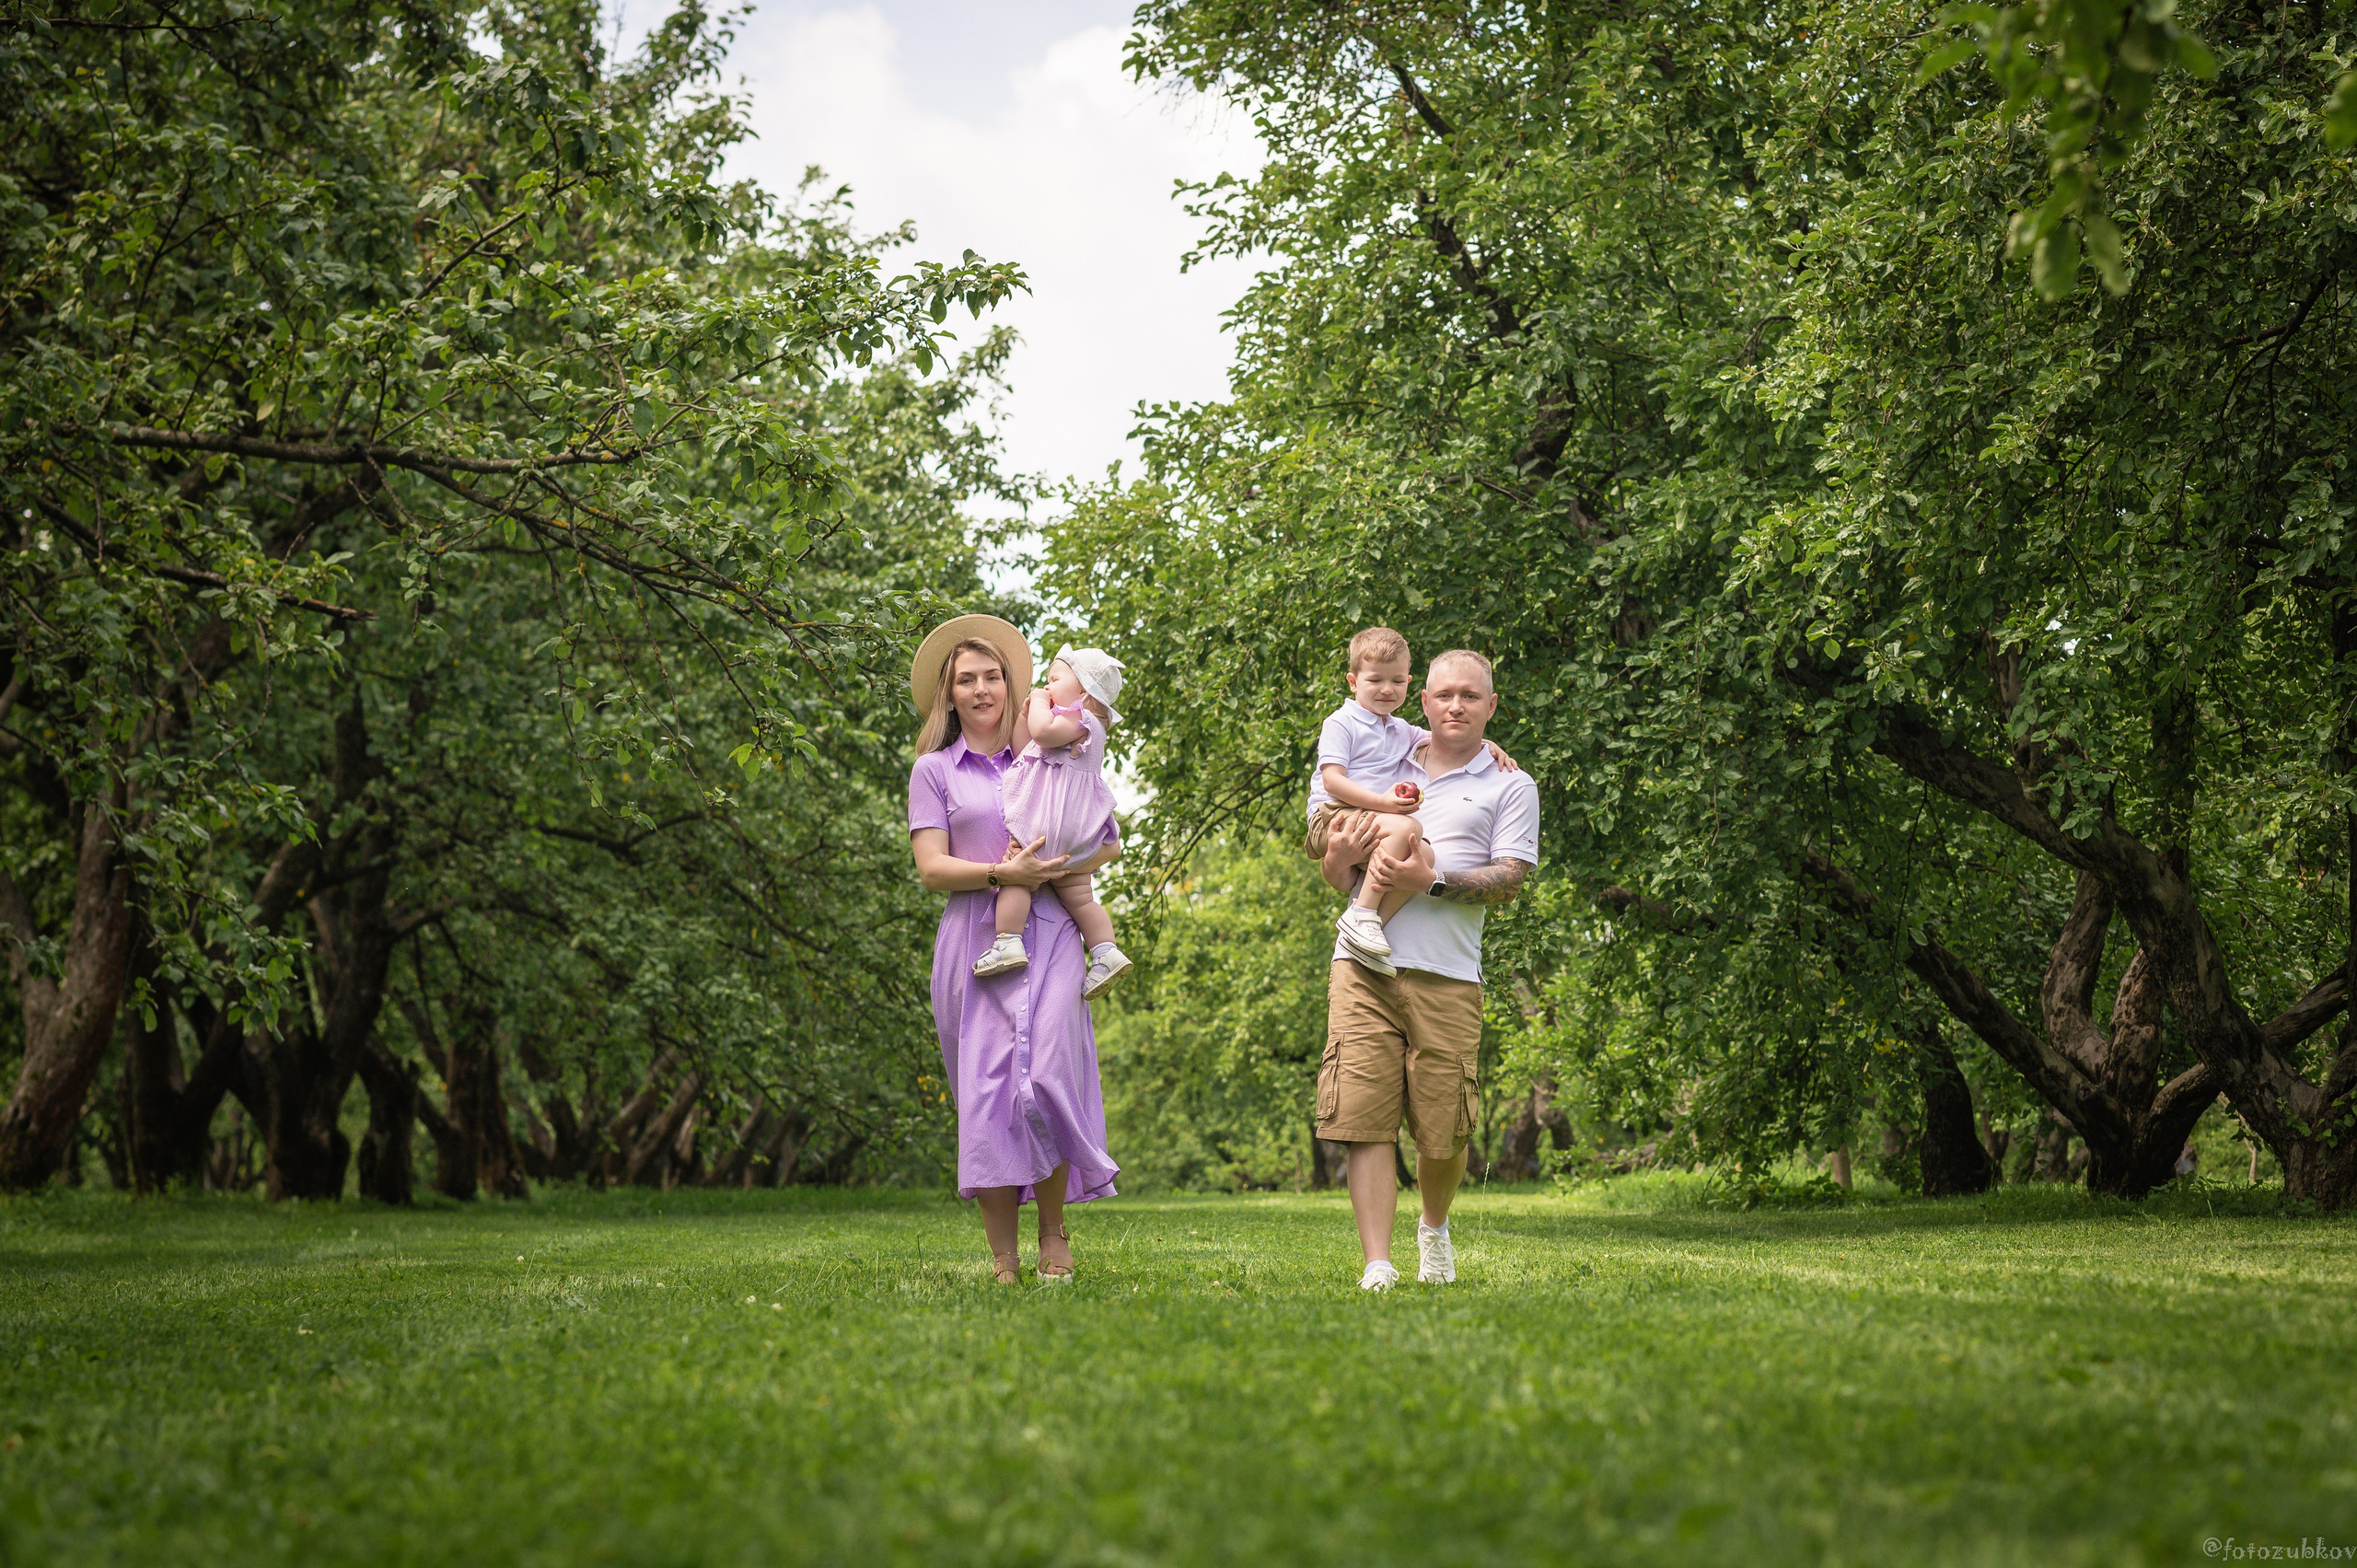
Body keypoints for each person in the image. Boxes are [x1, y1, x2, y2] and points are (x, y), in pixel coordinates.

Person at [906, 616, 1120, 1284]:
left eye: (992, 675)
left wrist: (1062, 864)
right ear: (949, 692)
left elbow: (1106, 837)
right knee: (988, 1094)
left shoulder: (1046, 753)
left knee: (1049, 1070)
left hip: (1051, 929)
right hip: (974, 939)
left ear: (1010, 682)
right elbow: (933, 869)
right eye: (966, 679)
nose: (981, 689)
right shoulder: (934, 771)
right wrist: (1004, 875)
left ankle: (1055, 1234)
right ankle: (1004, 1260)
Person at [1315, 649, 1538, 1290]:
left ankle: (1433, 1226)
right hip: (1362, 965)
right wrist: (1337, 860)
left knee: (1443, 1133)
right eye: (1443, 694)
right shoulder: (1385, 763)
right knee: (1362, 1116)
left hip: (1448, 975)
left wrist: (1431, 880)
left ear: (1490, 706)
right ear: (1424, 701)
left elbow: (1509, 880)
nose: (1455, 705)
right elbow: (1341, 875)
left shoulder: (1510, 783)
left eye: (1470, 695)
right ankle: (1377, 1263)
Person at [972, 645, 1134, 1000]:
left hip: (1050, 822)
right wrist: (1024, 715)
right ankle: (1106, 952)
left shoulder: (1083, 719)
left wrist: (1039, 704)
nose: (1046, 686)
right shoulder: (1070, 725)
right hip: (1074, 834)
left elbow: (1042, 734)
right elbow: (1026, 750)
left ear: (1083, 693)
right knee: (1079, 896)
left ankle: (1008, 941)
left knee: (1017, 873)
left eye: (1053, 680)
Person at [1306, 627, 1438, 975]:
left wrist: (1490, 746)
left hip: (1371, 817)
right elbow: (1333, 781)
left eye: (1397, 681)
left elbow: (1442, 739)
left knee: (1421, 855)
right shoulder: (1341, 722)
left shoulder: (1402, 729)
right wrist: (1383, 803)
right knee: (1409, 827)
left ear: (1409, 682)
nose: (1386, 689)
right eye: (1375, 679)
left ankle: (1364, 929)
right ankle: (1362, 914)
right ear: (1353, 681)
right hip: (1333, 815)